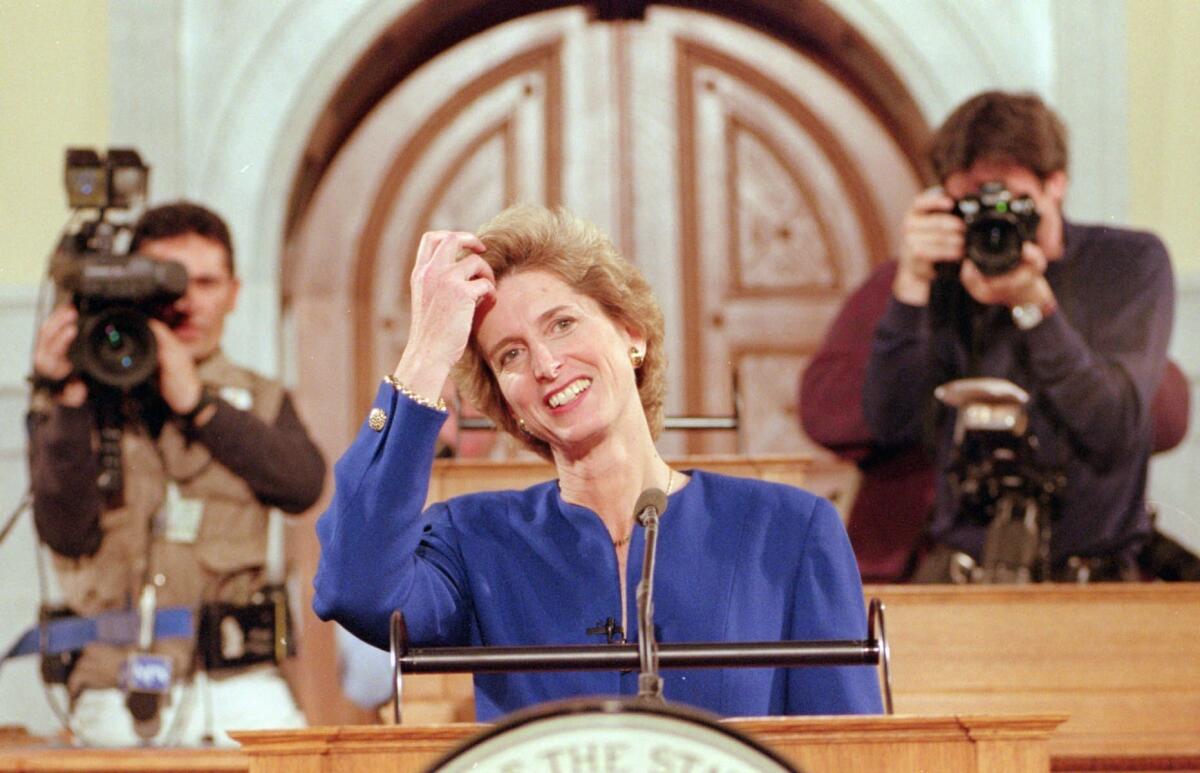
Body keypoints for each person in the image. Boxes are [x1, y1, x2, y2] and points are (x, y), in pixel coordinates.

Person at [314, 204, 881, 721]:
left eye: (563, 323)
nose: (546, 363)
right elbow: (355, 589)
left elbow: (845, 751)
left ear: (630, 334)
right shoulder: (473, 542)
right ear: (508, 406)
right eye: (510, 354)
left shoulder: (787, 530)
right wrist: (426, 354)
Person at [26, 201, 326, 745]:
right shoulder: (80, 398)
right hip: (113, 676)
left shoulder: (258, 399)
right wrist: (67, 400)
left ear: (233, 292)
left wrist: (199, 406)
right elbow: (63, 530)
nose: (186, 301)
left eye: (206, 282)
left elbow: (303, 485)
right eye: (166, 283)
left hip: (236, 678)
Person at [859, 91, 1175, 582]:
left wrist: (1032, 304)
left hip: (1093, 582)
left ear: (1056, 184)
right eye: (972, 204)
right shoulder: (942, 280)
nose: (993, 221)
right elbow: (889, 423)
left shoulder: (1129, 264)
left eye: (1007, 199)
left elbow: (1114, 427)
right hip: (962, 576)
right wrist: (911, 284)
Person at [802, 260, 1189, 583]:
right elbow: (826, 411)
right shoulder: (913, 283)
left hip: (1073, 560)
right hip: (927, 560)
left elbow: (1166, 416)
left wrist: (1045, 329)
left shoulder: (1081, 282)